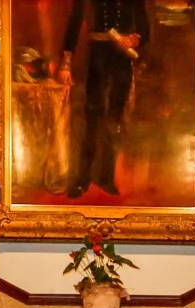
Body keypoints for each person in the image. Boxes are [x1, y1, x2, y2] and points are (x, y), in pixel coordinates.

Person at [59, 0, 149, 198]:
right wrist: (66, 64)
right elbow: (74, 24)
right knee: (92, 119)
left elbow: (144, 29)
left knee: (114, 120)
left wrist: (134, 40)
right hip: (96, 59)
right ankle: (82, 179)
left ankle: (106, 178)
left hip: (122, 60)